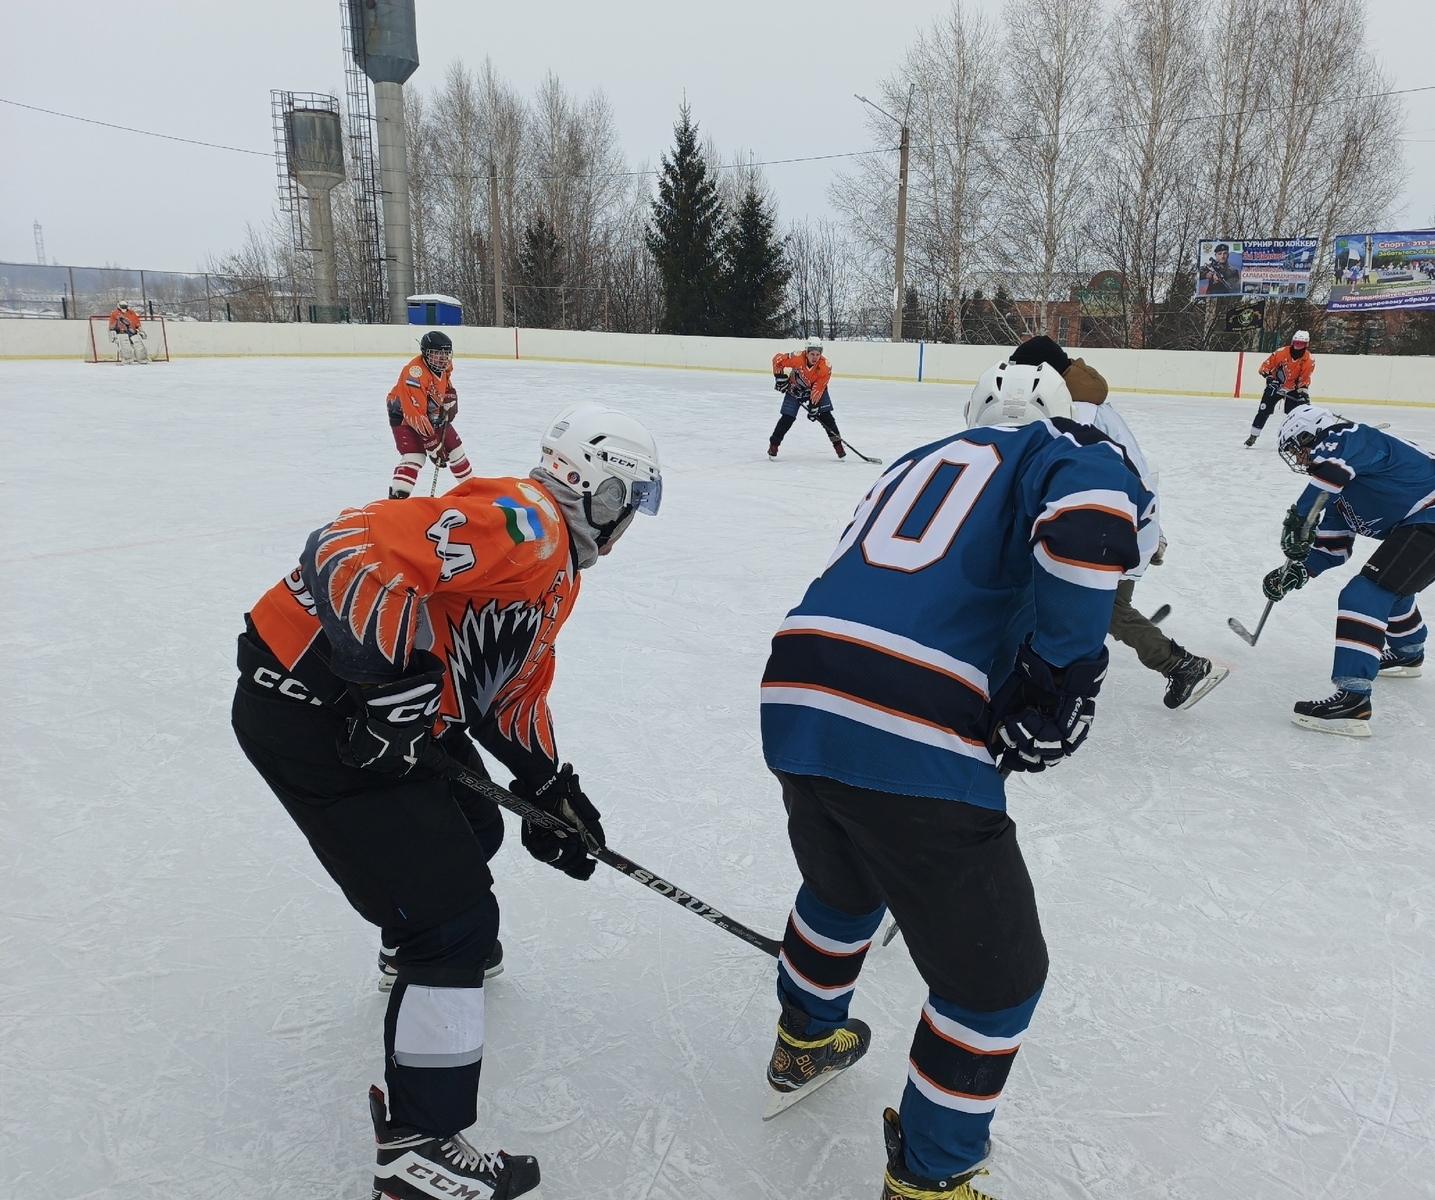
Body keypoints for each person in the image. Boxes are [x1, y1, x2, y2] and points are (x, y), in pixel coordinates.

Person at [231, 403, 662, 1199]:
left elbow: (507, 693)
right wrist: (383, 686)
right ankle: (419, 1149)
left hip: (355, 714)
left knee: (473, 825)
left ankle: (415, 955)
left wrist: (551, 790)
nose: (629, 523)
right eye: (629, 503)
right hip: (313, 710)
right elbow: (348, 548)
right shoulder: (529, 523)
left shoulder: (553, 570)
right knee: (454, 920)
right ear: (600, 493)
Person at [757, 356, 1151, 1199]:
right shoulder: (1059, 448)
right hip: (910, 713)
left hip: (796, 688)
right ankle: (931, 1175)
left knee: (843, 886)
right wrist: (1061, 679)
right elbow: (1091, 522)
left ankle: (805, 1039)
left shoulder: (916, 460)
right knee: (995, 980)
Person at [1011, 335, 1226, 710]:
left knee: (1102, 607)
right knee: (1096, 604)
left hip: (1112, 521)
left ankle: (1182, 665)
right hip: (1129, 514)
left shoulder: (1076, 410)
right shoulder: (1087, 401)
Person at [1263, 406, 1435, 737]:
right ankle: (1408, 653)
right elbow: (1333, 547)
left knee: (1364, 594)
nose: (1299, 459)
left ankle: (1352, 701)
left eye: (1299, 449)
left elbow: (1333, 468)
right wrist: (1298, 572)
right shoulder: (1337, 488)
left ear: (1313, 434)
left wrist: (1301, 516)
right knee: (1391, 586)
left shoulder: (1349, 437)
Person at [388, 331, 473, 498]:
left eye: (446, 353)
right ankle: (398, 497)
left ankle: (473, 490)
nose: (442, 358)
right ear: (425, 353)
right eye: (436, 353)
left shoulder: (445, 364)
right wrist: (433, 445)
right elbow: (415, 414)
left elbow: (445, 379)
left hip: (431, 411)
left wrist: (449, 393)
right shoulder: (414, 374)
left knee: (456, 450)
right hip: (403, 413)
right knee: (415, 456)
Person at [770, 336, 848, 459]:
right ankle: (774, 444)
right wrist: (779, 378)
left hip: (816, 390)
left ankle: (838, 446)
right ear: (806, 352)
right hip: (795, 389)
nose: (815, 357)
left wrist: (814, 406)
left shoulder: (825, 367)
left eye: (818, 354)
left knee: (827, 417)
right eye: (812, 354)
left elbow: (818, 388)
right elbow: (777, 360)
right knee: (787, 418)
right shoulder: (797, 357)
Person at [1244, 330, 1315, 447]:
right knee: (1263, 411)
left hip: (1293, 390)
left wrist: (1302, 391)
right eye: (1296, 343)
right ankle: (1253, 436)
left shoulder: (1309, 359)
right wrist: (1270, 379)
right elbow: (1265, 367)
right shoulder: (1281, 353)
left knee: (1297, 415)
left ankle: (1297, 439)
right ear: (1292, 342)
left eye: (1301, 344)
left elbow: (1305, 377)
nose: (1298, 346)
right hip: (1275, 386)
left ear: (1306, 345)